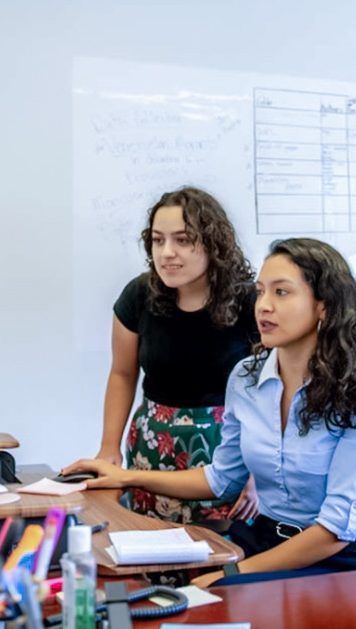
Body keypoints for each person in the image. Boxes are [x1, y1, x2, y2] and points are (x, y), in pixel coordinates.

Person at [65, 238, 356, 588]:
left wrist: (229, 574)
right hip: (261, 538)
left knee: (212, 597)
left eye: (281, 293)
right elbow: (222, 478)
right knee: (136, 582)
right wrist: (129, 477)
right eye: (261, 292)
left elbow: (336, 531)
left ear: (324, 307)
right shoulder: (246, 377)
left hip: (339, 558)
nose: (263, 306)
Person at [96, 187, 259, 525]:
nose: (167, 252)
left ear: (214, 243)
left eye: (183, 240)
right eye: (158, 241)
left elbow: (276, 395)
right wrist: (109, 448)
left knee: (220, 559)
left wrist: (262, 474)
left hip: (228, 450)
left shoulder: (251, 302)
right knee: (151, 553)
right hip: (153, 447)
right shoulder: (139, 294)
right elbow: (123, 374)